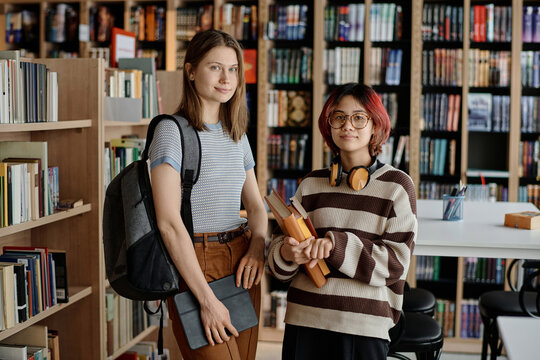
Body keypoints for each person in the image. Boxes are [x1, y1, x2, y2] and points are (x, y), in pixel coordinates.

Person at [267, 83, 417, 360]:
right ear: (329, 126)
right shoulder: (311, 183)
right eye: (339, 117)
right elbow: (277, 256)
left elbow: (395, 264)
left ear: (375, 125)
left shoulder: (397, 185)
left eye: (359, 117)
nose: (348, 125)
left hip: (362, 326)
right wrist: (289, 252)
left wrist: (335, 246)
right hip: (305, 320)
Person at [149, 29, 267, 360]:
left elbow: (256, 206)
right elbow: (169, 223)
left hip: (243, 260)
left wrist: (258, 246)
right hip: (196, 262)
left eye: (232, 69)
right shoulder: (171, 132)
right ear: (190, 71)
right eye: (215, 67)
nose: (226, 78)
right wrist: (206, 300)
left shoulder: (237, 135)